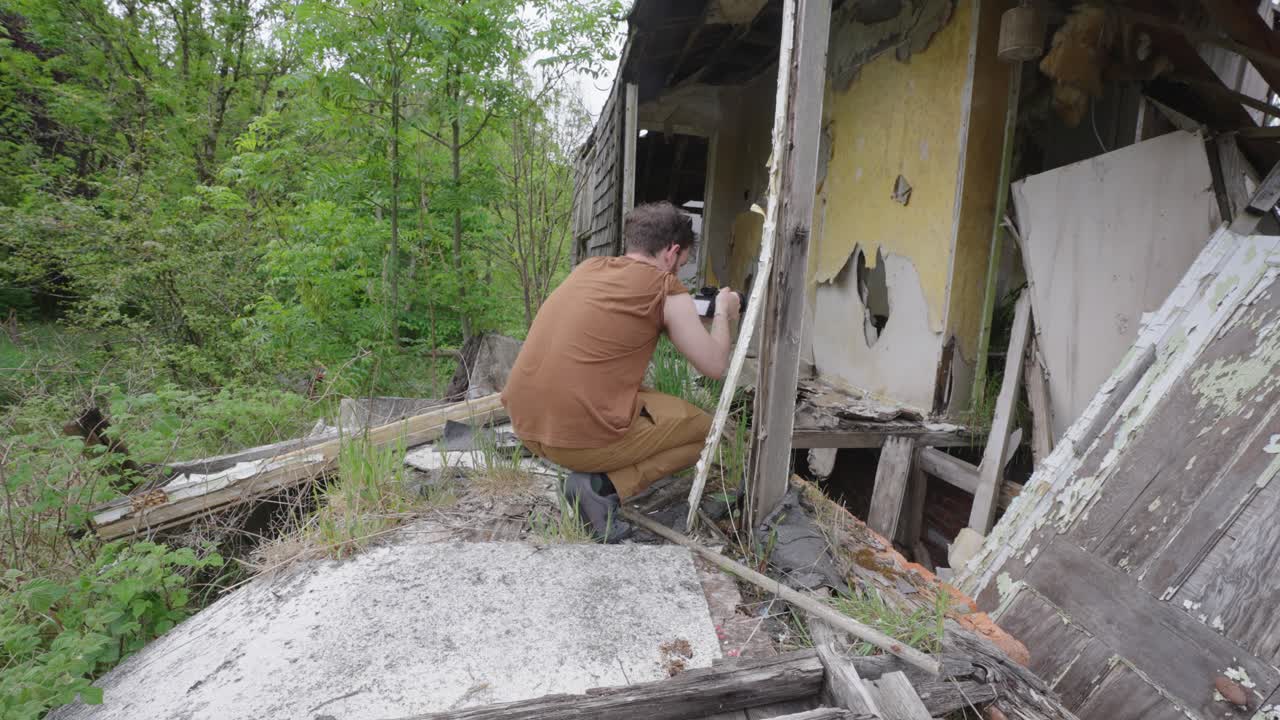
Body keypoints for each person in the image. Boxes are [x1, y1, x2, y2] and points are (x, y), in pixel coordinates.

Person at [501, 201, 741, 541]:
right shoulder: (664, 286)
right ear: (672, 253)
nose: (677, 273)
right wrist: (722, 313)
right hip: (576, 443)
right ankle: (600, 487)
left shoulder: (588, 269)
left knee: (645, 396)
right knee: (708, 432)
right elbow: (715, 366)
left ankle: (592, 476)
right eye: (682, 264)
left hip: (527, 426)